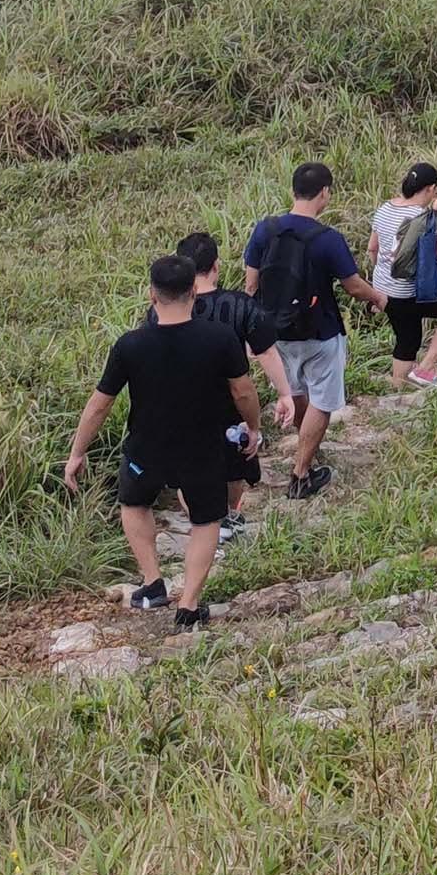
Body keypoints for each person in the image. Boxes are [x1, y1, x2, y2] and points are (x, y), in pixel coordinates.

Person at [62, 248, 263, 629]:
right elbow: (243, 393)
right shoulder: (220, 339)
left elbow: (99, 405)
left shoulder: (130, 344)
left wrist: (77, 452)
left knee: (134, 503)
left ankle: (153, 583)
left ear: (152, 294)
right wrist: (252, 428)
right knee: (206, 521)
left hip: (146, 447)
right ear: (193, 291)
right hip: (202, 447)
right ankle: (188, 606)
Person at [243, 163, 362, 500]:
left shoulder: (264, 230)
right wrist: (379, 297)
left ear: (293, 190)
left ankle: (304, 448)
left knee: (293, 389)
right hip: (320, 332)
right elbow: (352, 286)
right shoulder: (328, 239)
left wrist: (250, 330)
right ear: (324, 192)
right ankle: (300, 473)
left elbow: (251, 284)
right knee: (322, 401)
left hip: (276, 332)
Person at [178, 230, 287, 535]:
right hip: (231, 402)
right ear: (216, 265)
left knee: (188, 471)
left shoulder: (166, 308)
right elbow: (266, 351)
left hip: (183, 403)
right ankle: (225, 520)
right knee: (236, 462)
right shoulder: (238, 305)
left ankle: (206, 522)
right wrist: (284, 393)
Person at [373, 163, 437, 387]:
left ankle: (399, 388)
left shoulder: (384, 209)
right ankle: (425, 368)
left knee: (407, 337)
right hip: (408, 293)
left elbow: (373, 248)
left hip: (384, 291)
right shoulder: (422, 217)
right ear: (430, 188)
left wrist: (378, 289)